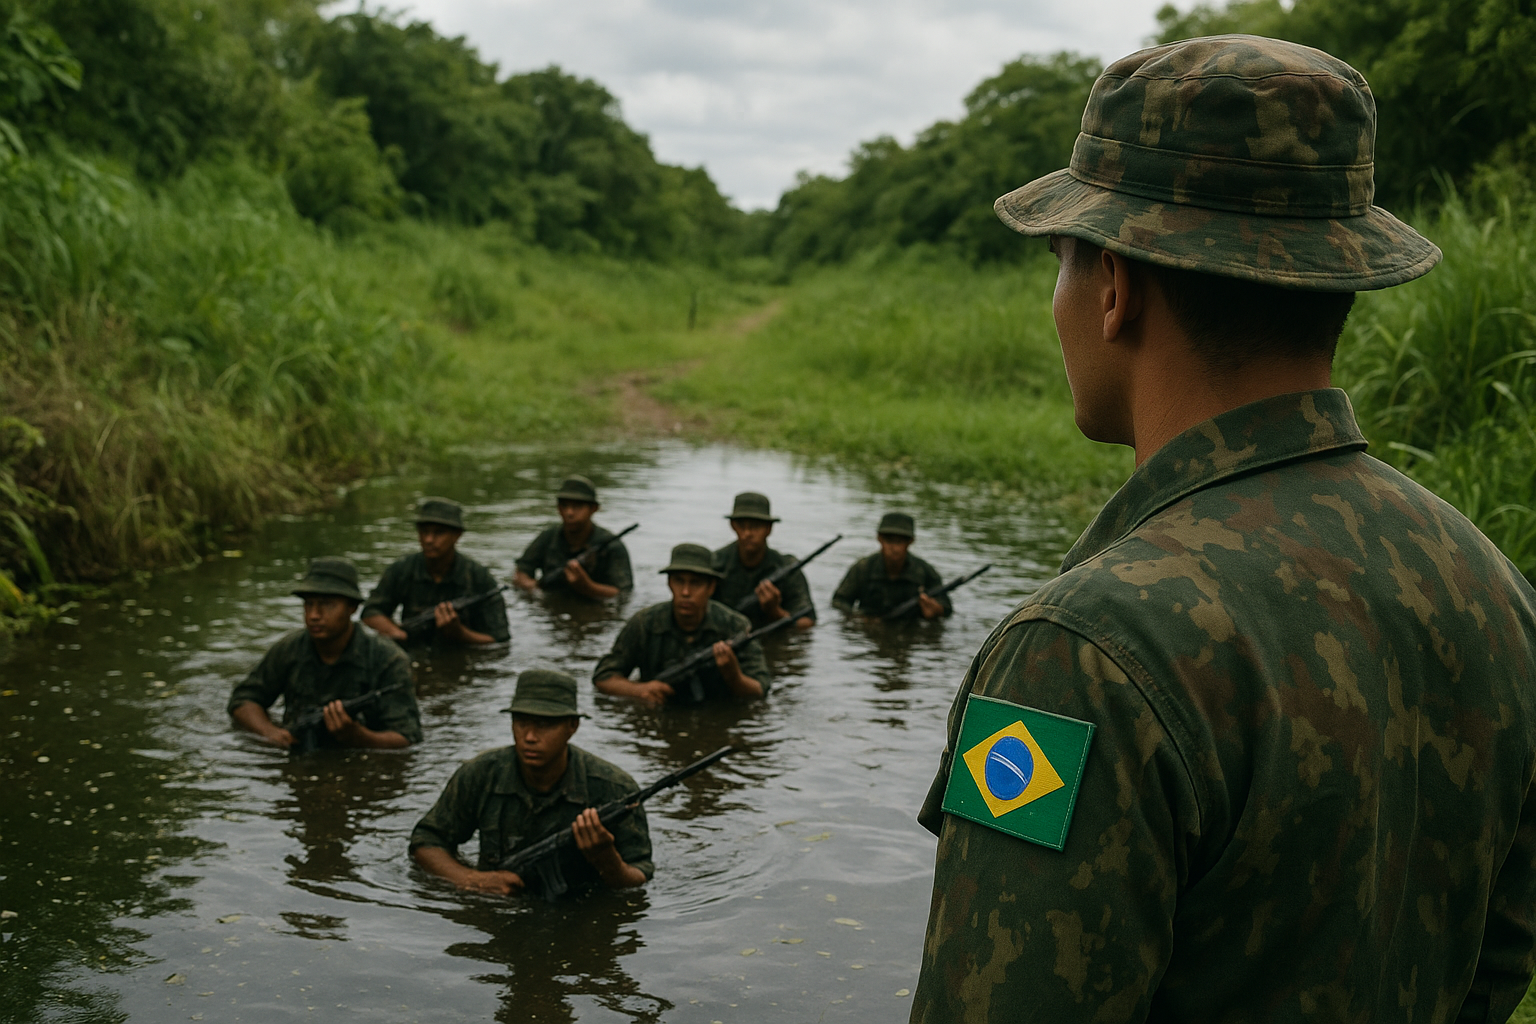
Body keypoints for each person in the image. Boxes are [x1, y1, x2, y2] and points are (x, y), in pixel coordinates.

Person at [911, 35, 1536, 1024]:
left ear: (1114, 286)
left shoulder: (1078, 657)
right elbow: (1495, 966)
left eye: (1064, 264)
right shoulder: (1495, 589)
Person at [408, 669, 652, 897]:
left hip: (581, 907)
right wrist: (471, 879)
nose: (530, 737)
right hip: (500, 905)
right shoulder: (481, 774)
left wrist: (607, 861)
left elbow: (640, 876)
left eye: (545, 724)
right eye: (522, 722)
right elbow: (427, 841)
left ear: (572, 726)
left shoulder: (615, 790)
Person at [228, 556, 422, 750]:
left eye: (327, 604)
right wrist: (271, 733)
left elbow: (407, 737)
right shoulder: (290, 648)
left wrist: (358, 737)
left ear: (351, 608)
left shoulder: (388, 659)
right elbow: (244, 700)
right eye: (308, 604)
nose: (314, 615)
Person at [593, 543, 770, 706]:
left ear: (711, 587)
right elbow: (603, 677)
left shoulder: (735, 626)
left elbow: (760, 689)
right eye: (679, 581)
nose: (686, 592)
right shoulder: (644, 623)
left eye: (696, 583)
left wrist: (734, 676)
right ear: (669, 583)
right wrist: (640, 690)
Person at [361, 497, 509, 646]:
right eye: (424, 532)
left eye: (439, 533)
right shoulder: (402, 570)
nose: (429, 539)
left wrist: (459, 633)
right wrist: (396, 633)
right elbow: (371, 611)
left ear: (457, 535)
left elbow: (499, 640)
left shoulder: (479, 577)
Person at [512, 475, 633, 600]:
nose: (569, 513)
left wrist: (587, 587)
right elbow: (522, 571)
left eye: (578, 506)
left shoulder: (612, 546)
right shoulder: (548, 537)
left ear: (593, 509)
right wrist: (534, 588)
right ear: (558, 508)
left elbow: (623, 593)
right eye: (564, 506)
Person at [712, 491, 816, 629]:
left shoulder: (788, 568)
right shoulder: (715, 564)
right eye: (741, 526)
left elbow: (807, 622)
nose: (747, 533)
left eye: (755, 526)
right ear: (733, 526)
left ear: (768, 529)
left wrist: (775, 612)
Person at [832, 513, 950, 620]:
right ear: (879, 539)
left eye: (900, 542)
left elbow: (946, 607)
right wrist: (858, 618)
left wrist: (936, 609)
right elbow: (839, 601)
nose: (894, 548)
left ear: (911, 541)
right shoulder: (863, 568)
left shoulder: (925, 572)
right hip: (870, 626)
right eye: (889, 541)